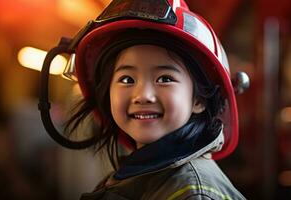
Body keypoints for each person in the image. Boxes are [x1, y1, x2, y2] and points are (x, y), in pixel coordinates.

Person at [40, 0, 249, 199]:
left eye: (164, 79)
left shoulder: (195, 193)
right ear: (108, 92)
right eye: (127, 79)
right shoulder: (137, 176)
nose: (143, 96)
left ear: (199, 100)